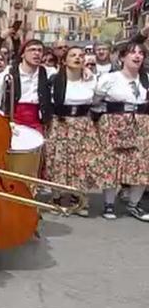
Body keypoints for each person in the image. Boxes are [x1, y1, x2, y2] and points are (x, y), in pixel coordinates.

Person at [94, 41, 149, 221]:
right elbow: (95, 101)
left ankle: (134, 204)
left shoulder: (146, 79)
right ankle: (109, 204)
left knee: (141, 164)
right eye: (133, 53)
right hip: (114, 122)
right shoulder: (110, 79)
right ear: (123, 57)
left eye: (141, 53)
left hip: (140, 122)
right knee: (111, 163)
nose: (137, 56)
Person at [44, 46, 98, 217]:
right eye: (73, 55)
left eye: (81, 55)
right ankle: (59, 196)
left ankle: (78, 197)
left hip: (83, 123)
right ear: (64, 60)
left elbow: (98, 100)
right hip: (61, 122)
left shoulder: (91, 79)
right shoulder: (54, 79)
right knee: (59, 160)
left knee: (81, 161)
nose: (77, 58)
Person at [0, 39, 53, 133]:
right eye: (32, 50)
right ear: (22, 54)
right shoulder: (9, 72)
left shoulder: (47, 72)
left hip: (37, 121)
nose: (37, 53)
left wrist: (86, 71)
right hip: (14, 121)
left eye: (40, 50)